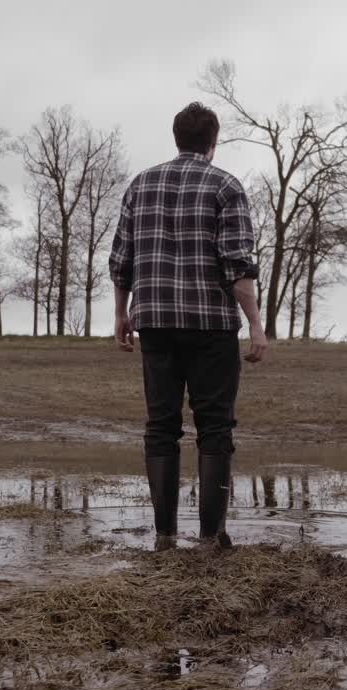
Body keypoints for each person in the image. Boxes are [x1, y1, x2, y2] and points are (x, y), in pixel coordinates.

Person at [109, 102, 268, 551]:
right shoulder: (226, 186)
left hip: (155, 321)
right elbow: (237, 266)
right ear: (212, 142)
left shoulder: (141, 185)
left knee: (161, 425)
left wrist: (122, 313)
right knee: (215, 426)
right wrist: (255, 324)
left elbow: (121, 260)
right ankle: (211, 537)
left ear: (176, 137)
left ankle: (164, 536)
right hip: (211, 324)